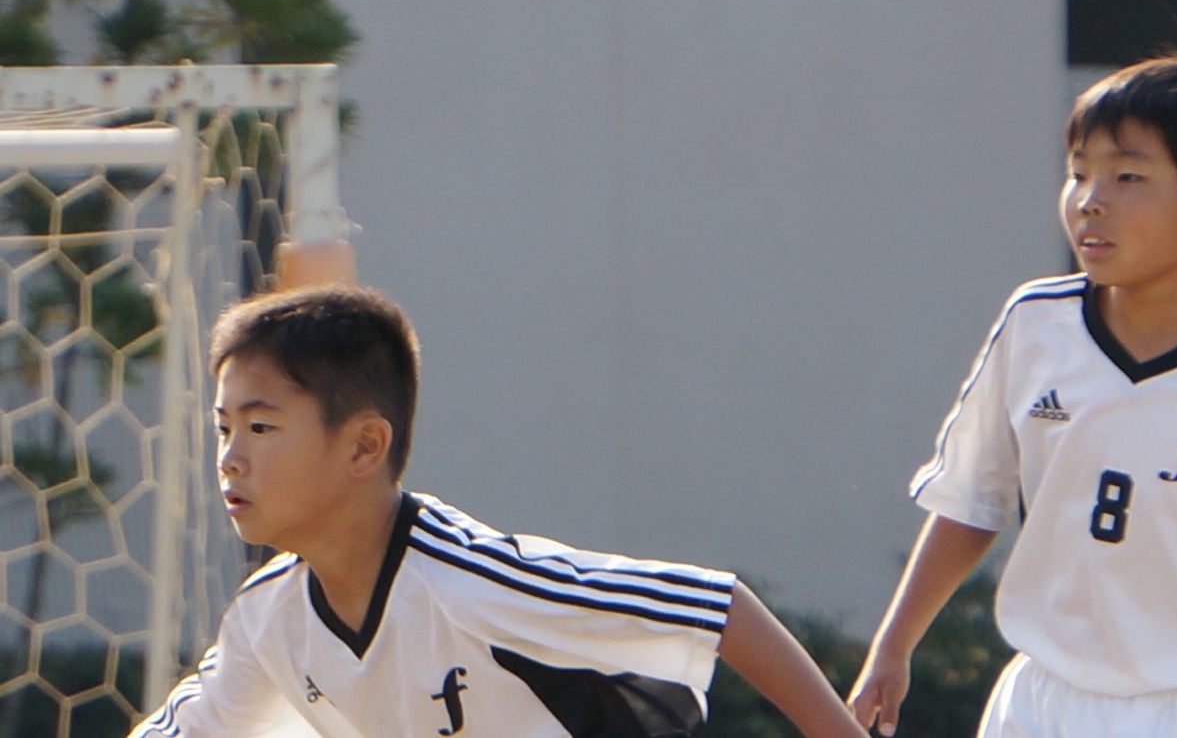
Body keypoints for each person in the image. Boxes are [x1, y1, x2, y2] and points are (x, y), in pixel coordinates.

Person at [130, 283, 868, 738]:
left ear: (364, 447)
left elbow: (717, 605)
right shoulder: (266, 621)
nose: (230, 457)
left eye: (260, 427)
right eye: (223, 428)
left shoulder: (472, 582)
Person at [848, 55, 1177, 738]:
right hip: (1040, 704)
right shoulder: (1035, 324)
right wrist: (892, 647)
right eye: (1078, 173)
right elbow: (971, 499)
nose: (1090, 199)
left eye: (1127, 176)